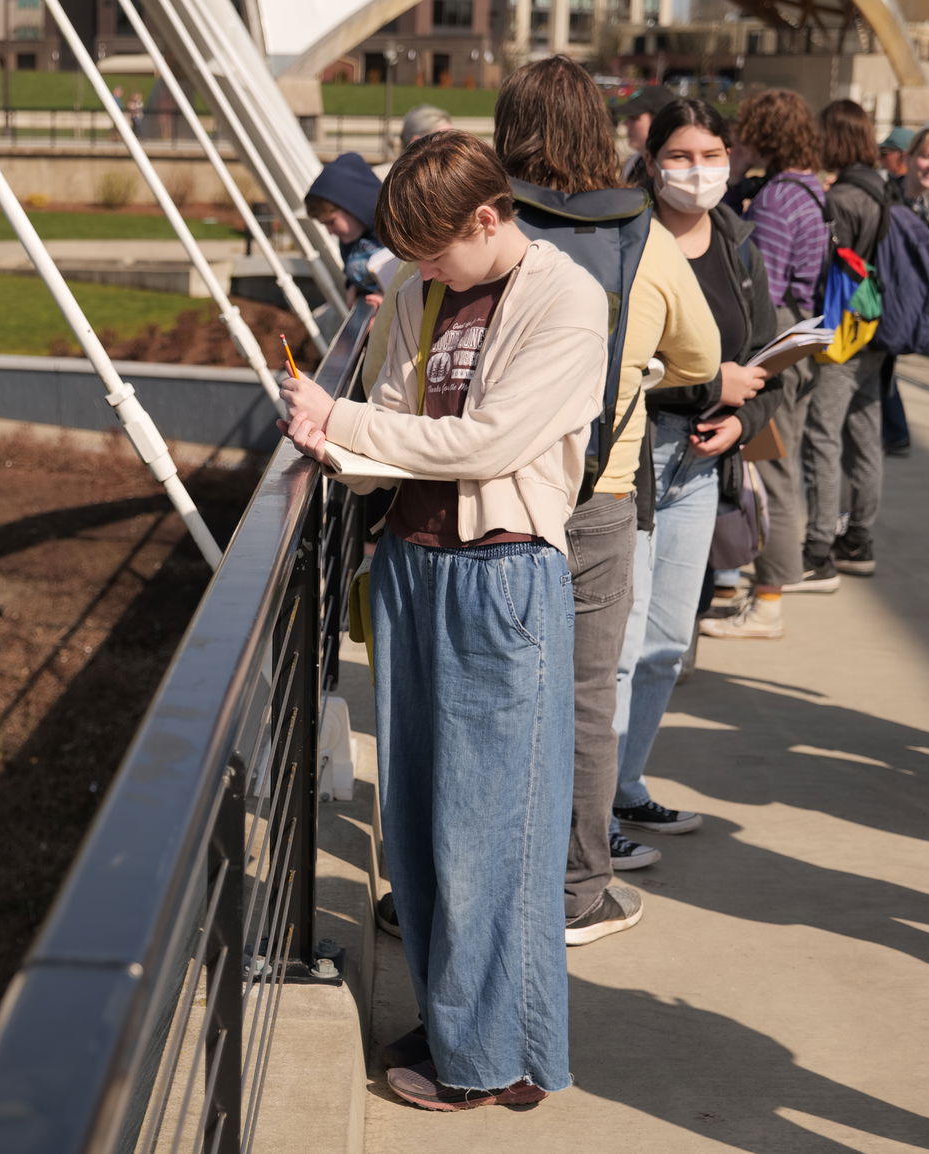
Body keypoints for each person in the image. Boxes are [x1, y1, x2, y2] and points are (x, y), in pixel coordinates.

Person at [277, 130, 607, 1111]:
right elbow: (391, 422)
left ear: (487, 216)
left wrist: (340, 425)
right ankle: (472, 1028)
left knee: (490, 834)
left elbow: (486, 438)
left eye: (433, 248)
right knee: (420, 823)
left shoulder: (567, 299)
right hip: (412, 571)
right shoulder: (421, 291)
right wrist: (330, 437)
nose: (419, 268)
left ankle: (485, 1058)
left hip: (501, 578)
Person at [491, 57, 720, 928]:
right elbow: (697, 359)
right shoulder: (641, 238)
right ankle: (578, 889)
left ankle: (461, 888)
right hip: (597, 496)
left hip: (490, 492)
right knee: (588, 700)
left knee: (482, 699)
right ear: (603, 129)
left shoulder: (484, 222)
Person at [611, 99, 782, 858]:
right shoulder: (626, 237)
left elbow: (770, 361)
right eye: (681, 156)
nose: (698, 170)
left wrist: (743, 419)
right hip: (636, 457)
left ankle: (627, 785)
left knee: (666, 641)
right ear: (652, 164)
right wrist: (708, 383)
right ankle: (592, 821)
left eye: (712, 153)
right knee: (616, 640)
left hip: (705, 462)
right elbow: (613, 362)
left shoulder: (739, 245)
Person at [700, 89, 827, 641]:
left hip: (778, 345)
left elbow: (761, 286)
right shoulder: (810, 189)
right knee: (777, 461)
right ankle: (756, 586)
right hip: (805, 338)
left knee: (770, 467)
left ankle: (770, 597)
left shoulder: (777, 199)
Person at [800, 98, 891, 586]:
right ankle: (859, 536)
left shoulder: (842, 199)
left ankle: (818, 548)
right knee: (863, 433)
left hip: (844, 330)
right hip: (877, 326)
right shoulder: (882, 190)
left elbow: (825, 267)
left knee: (821, 433)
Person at [878, 126, 929, 458]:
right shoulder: (884, 201)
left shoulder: (923, 207)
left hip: (894, 324)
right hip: (868, 323)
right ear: (908, 159)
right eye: (926, 156)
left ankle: (895, 434)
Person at [306, 152, 396, 303]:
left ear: (353, 207)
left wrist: (390, 301)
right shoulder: (351, 244)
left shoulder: (397, 232)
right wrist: (352, 286)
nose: (329, 231)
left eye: (331, 221)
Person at [615, 85, 676, 185]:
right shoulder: (633, 164)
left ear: (658, 120)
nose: (626, 124)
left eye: (634, 118)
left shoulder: (673, 171)